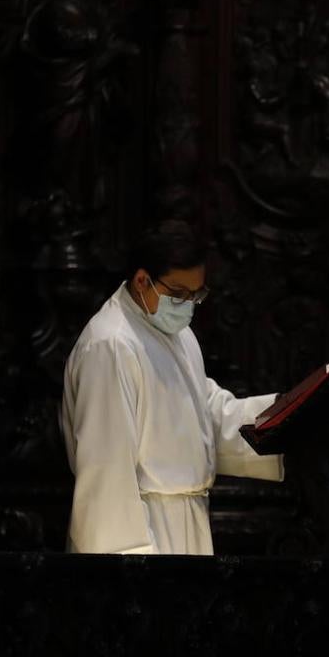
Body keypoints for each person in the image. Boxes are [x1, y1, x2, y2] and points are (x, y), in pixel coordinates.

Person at [60, 220, 284, 554]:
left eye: (197, 295)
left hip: (187, 523)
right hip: (141, 531)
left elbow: (203, 415)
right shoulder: (111, 345)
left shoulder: (176, 333)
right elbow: (106, 472)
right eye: (179, 294)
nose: (188, 306)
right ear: (141, 280)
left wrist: (284, 417)